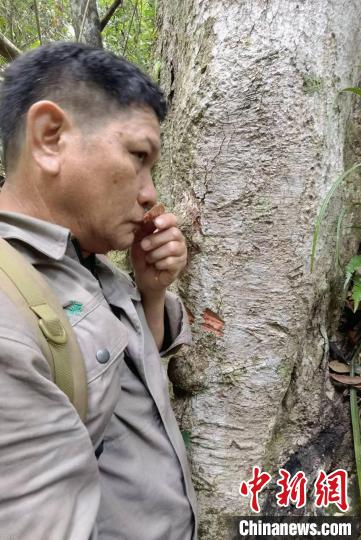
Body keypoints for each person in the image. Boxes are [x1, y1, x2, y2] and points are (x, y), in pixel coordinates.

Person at [0, 42, 197, 539]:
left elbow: (124, 384)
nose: (150, 191)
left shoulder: (89, 264)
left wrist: (150, 294)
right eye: (137, 155)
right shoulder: (8, 305)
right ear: (50, 138)